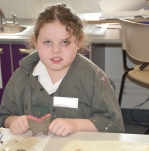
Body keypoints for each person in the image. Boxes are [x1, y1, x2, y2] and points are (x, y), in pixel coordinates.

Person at [0, 3, 124, 136]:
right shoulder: (21, 76)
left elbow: (113, 125)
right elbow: (4, 117)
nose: (56, 50)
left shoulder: (93, 77)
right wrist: (14, 121)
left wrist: (75, 125)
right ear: (35, 42)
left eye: (65, 42)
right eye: (47, 42)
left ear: (79, 41)